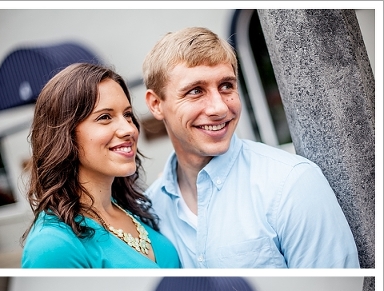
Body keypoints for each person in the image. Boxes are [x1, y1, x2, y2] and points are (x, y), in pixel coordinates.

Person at [142, 26, 359, 268]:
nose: (220, 108)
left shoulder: (292, 183)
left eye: (226, 86)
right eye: (195, 91)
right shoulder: (151, 209)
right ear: (155, 104)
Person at [20, 63, 180, 268]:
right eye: (105, 117)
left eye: (128, 115)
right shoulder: (52, 245)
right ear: (64, 134)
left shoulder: (136, 208)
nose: (128, 129)